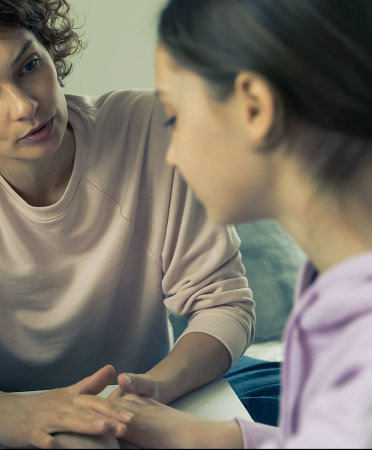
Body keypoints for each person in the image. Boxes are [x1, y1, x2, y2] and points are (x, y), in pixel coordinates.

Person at [0, 0, 257, 448]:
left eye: (28, 66)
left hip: (145, 414)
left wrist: (146, 395)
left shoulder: (148, 130)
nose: (25, 106)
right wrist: (2, 414)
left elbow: (225, 305)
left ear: (48, 47)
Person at [102, 0, 372, 448]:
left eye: (175, 116)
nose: (171, 154)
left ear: (254, 107)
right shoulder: (334, 281)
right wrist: (211, 437)